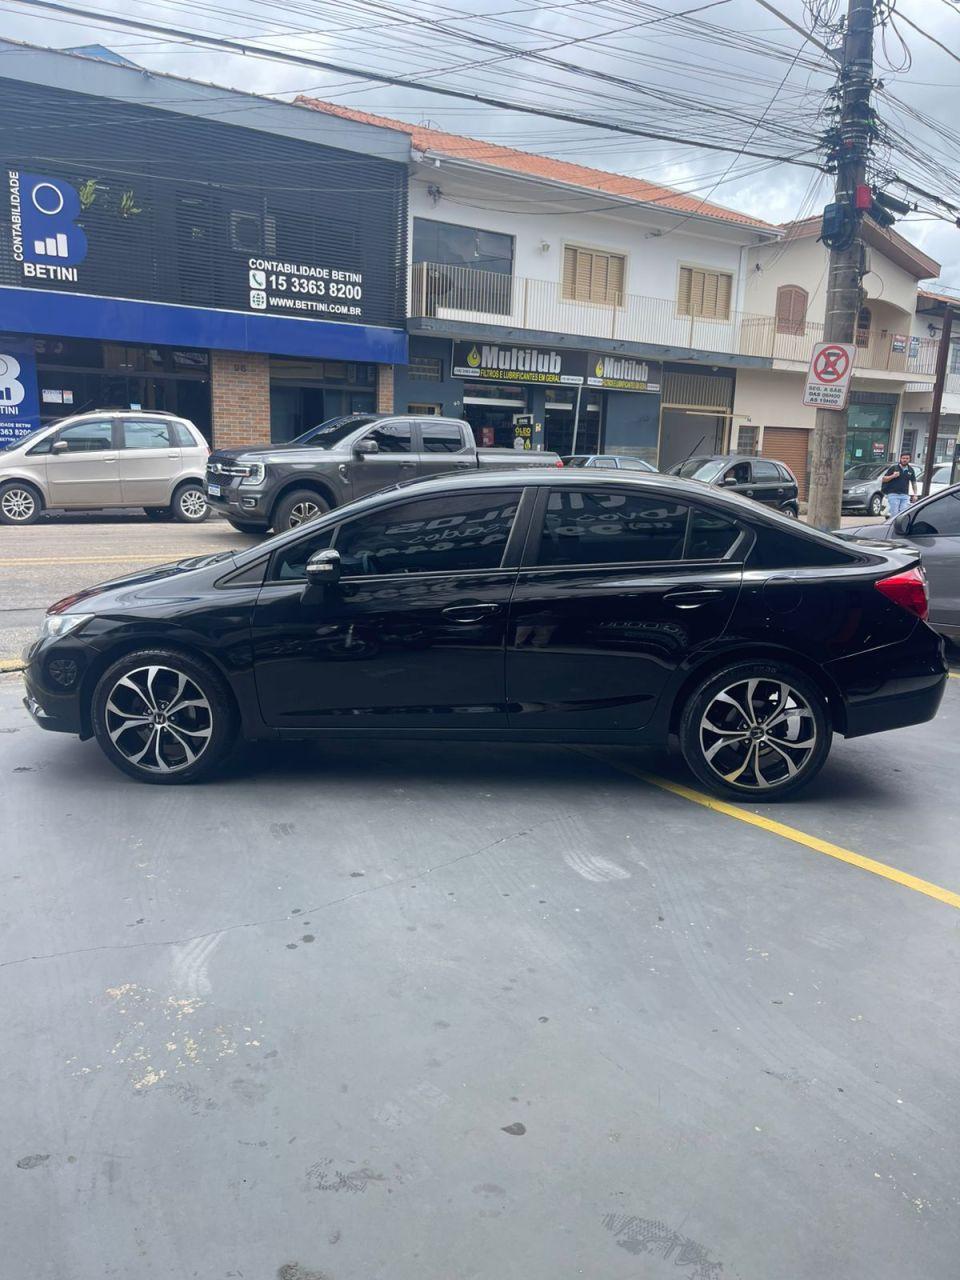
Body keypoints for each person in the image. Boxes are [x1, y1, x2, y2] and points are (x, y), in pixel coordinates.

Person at [880, 451, 917, 517]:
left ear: (909, 459)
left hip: (905, 495)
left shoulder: (911, 470)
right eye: (903, 458)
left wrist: (915, 494)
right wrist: (893, 476)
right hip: (893, 494)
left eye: (907, 458)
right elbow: (884, 479)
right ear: (900, 458)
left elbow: (913, 482)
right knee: (894, 514)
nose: (905, 460)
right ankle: (893, 523)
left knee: (903, 514)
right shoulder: (894, 468)